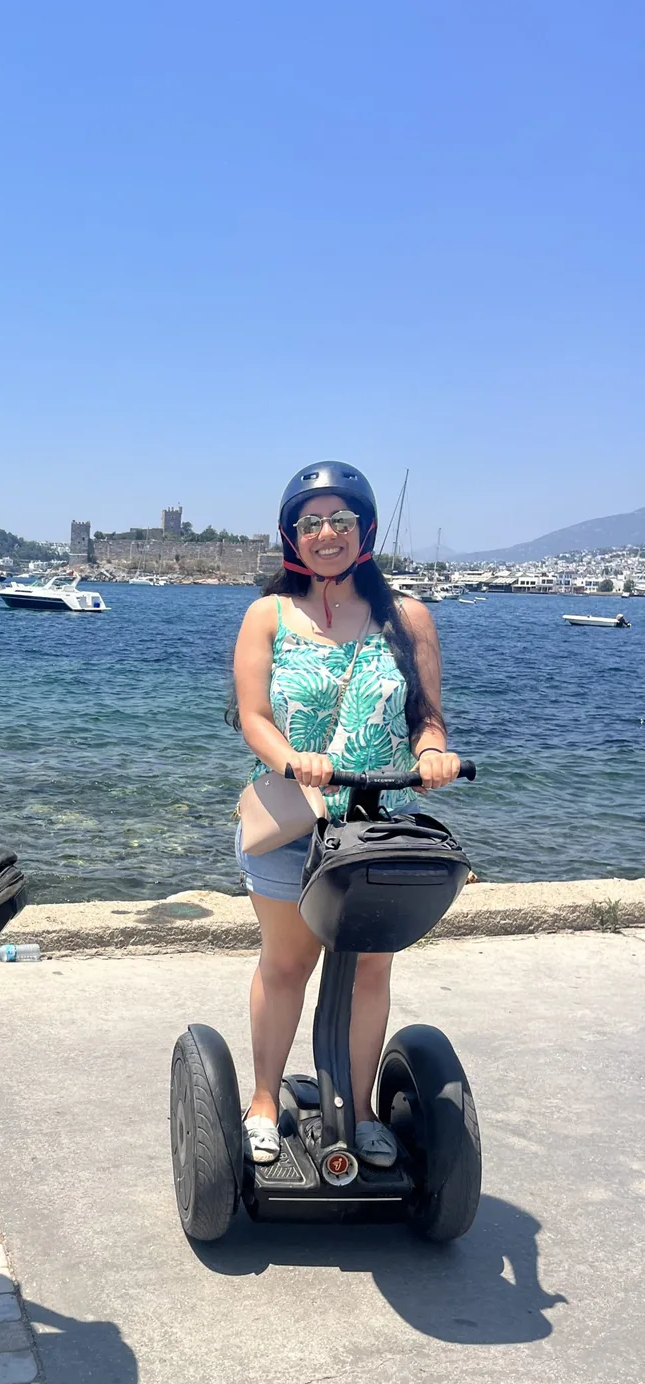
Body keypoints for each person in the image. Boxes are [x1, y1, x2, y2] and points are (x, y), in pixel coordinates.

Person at [230, 462, 461, 1167]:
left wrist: (434, 755)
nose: (325, 533)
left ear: (363, 529)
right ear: (291, 535)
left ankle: (359, 1112)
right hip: (293, 819)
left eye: (339, 521)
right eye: (310, 522)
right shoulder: (267, 614)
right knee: (288, 964)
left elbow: (426, 718)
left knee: (368, 971)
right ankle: (264, 1099)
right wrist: (289, 759)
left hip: (379, 827)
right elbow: (253, 717)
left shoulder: (408, 617)